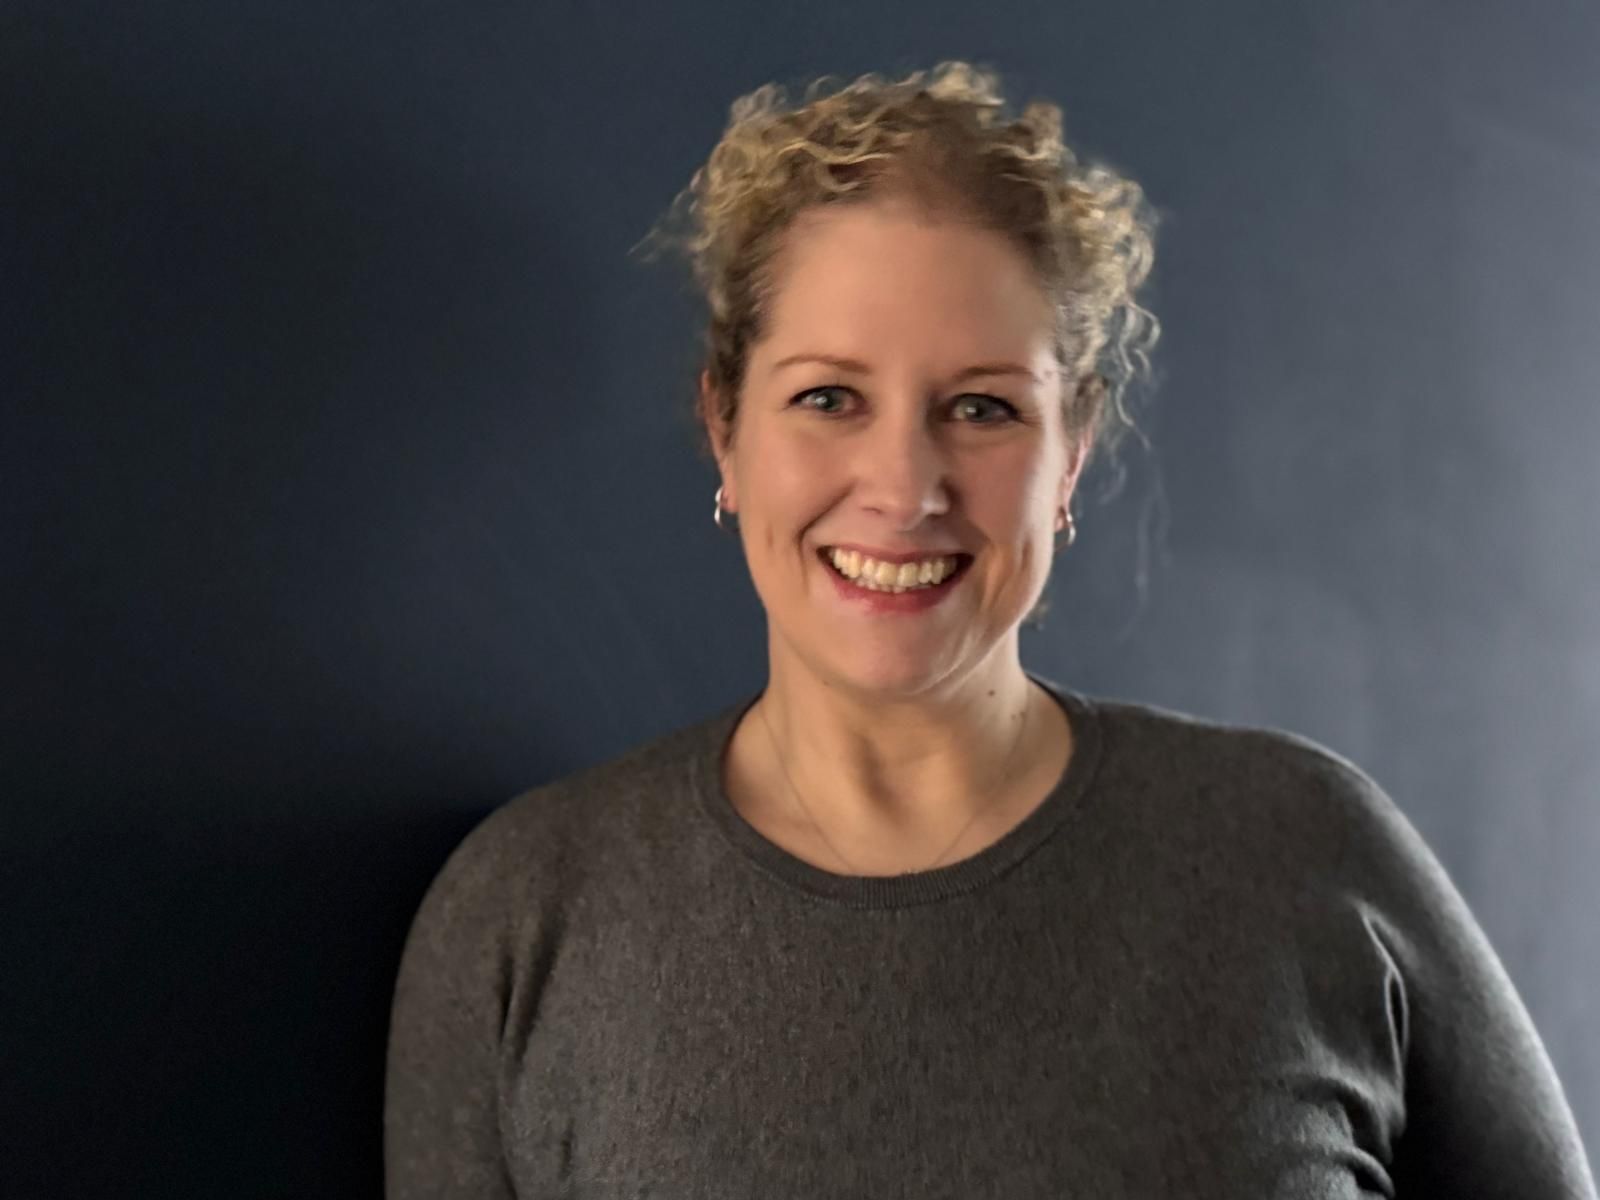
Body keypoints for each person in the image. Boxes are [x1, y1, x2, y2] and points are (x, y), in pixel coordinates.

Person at [383, 61, 1596, 1197]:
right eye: (826, 398)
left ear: (1070, 455)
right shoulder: (526, 915)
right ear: (724, 434)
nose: (903, 485)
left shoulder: (1306, 856)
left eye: (980, 407)